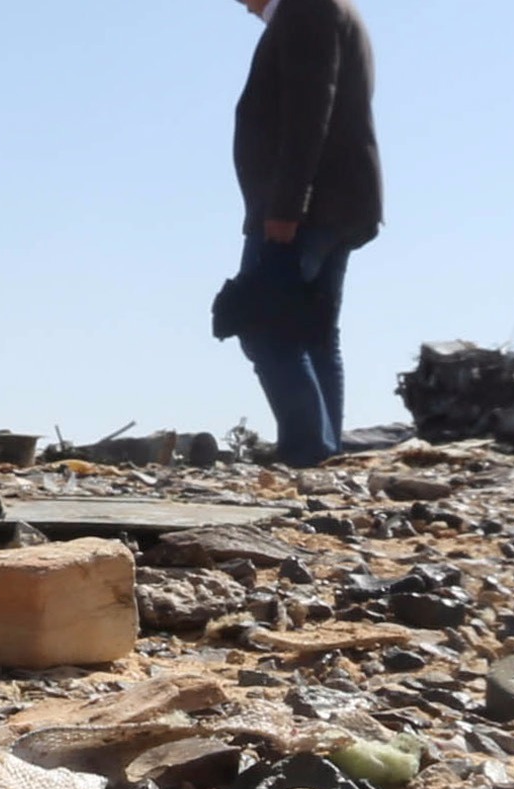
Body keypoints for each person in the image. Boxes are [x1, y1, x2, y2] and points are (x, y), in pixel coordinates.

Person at [226, 0, 380, 468]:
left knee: (264, 325)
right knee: (312, 331)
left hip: (305, 209)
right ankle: (323, 459)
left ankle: (308, 451)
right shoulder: (325, 9)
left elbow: (309, 111)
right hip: (336, 203)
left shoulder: (306, 9)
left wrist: (287, 206)